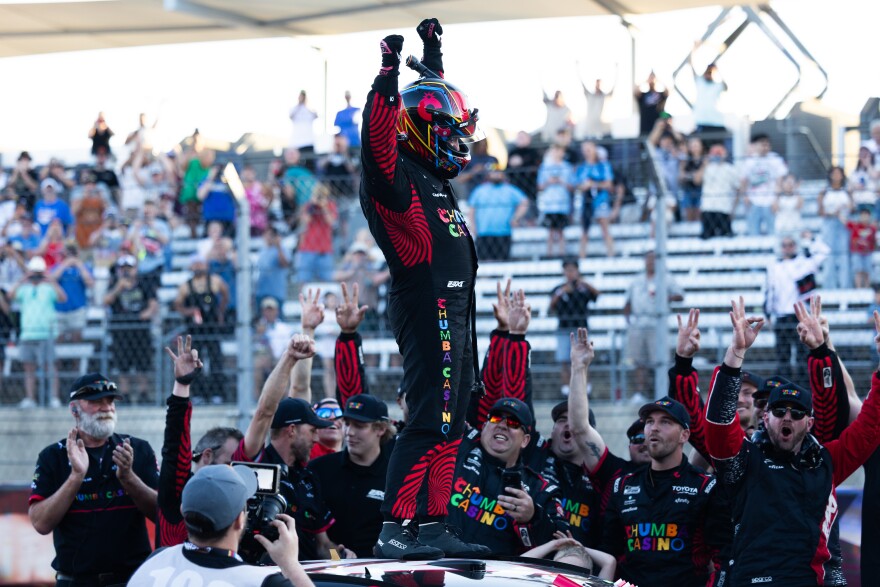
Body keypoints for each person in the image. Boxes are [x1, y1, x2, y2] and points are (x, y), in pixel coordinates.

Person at [359, 18, 489, 558]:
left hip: (459, 309)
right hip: (426, 305)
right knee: (426, 421)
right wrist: (388, 72)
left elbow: (430, 99)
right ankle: (396, 529)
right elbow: (380, 137)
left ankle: (433, 527)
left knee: (452, 423)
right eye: (452, 135)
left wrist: (433, 50)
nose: (459, 144)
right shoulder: (392, 178)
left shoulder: (432, 175)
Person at [704, 297, 880, 586]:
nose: (788, 417)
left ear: (810, 423)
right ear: (765, 417)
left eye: (797, 413)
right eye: (779, 411)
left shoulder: (826, 461)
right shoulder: (744, 460)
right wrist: (735, 354)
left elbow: (870, 427)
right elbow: (718, 427)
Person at [157, 333, 316, 547]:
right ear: (207, 456)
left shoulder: (236, 488)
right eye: (229, 464)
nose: (234, 472)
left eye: (237, 467)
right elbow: (175, 446)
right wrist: (182, 386)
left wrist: (289, 358)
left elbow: (264, 414)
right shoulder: (178, 494)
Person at [29, 374, 158, 587]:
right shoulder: (52, 456)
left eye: (110, 401)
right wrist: (75, 477)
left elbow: (164, 515)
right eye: (96, 401)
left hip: (132, 578)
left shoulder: (137, 449)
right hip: (76, 580)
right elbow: (41, 523)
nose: (106, 408)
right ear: (74, 410)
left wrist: (129, 478)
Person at [600, 389, 724, 587]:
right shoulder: (622, 486)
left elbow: (723, 558)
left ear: (684, 435)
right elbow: (609, 552)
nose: (654, 428)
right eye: (649, 421)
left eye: (665, 422)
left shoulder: (705, 486)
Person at [129, 465, 315, 587]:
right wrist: (290, 564)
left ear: (183, 512)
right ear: (240, 520)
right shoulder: (262, 582)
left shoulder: (155, 560)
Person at [447, 397, 566, 555]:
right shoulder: (459, 444)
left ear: (525, 440)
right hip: (440, 563)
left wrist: (532, 516)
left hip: (496, 576)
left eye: (513, 423)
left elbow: (562, 545)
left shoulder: (540, 489)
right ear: (484, 426)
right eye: (496, 418)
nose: (502, 425)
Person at [310, 394, 396, 557]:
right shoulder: (320, 470)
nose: (349, 432)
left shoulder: (397, 476)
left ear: (381, 429)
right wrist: (339, 559)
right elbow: (319, 542)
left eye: (359, 426)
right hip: (333, 573)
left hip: (383, 574)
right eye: (347, 424)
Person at [764, 236, 829, 384]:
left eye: (791, 244)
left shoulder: (804, 262)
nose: (788, 248)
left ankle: (804, 388)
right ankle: (783, 388)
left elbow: (824, 253)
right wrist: (767, 313)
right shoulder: (774, 267)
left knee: (803, 355)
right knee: (783, 356)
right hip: (781, 315)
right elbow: (769, 290)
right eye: (785, 245)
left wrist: (811, 239)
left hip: (800, 316)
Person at [623, 250, 684, 393]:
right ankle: (640, 391)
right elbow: (628, 302)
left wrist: (665, 298)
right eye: (648, 259)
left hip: (657, 323)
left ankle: (663, 390)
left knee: (660, 360)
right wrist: (629, 321)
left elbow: (680, 295)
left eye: (653, 259)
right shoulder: (636, 280)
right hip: (638, 323)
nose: (650, 262)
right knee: (638, 360)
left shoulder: (665, 278)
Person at [10, 255, 67, 408]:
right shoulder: (24, 288)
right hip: (28, 333)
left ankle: (54, 398)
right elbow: (11, 296)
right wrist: (23, 279)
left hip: (45, 334)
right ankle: (30, 399)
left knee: (50, 367)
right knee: (29, 368)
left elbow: (62, 297)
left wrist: (50, 280)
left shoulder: (48, 288)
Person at [103, 255, 159, 402]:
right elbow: (106, 301)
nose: (126, 271)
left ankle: (143, 393)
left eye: (129, 268)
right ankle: (125, 394)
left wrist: (145, 314)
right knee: (123, 364)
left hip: (140, 328)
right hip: (120, 329)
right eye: (123, 269)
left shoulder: (144, 283)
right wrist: (118, 288)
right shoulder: (114, 283)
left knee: (142, 362)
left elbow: (153, 303)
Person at [549, 259, 600, 396]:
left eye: (572, 270)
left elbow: (597, 295)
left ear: (577, 271)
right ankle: (566, 389)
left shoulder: (583, 288)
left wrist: (584, 283)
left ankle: (585, 387)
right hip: (564, 328)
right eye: (567, 270)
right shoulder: (559, 288)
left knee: (584, 359)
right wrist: (562, 292)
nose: (570, 273)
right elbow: (551, 306)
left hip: (581, 330)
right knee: (564, 360)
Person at [467, 166, 529, 261]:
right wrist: (473, 226)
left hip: (503, 232)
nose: (496, 174)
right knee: (484, 263)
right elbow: (471, 210)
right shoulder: (479, 190)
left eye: (498, 172)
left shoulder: (510, 189)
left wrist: (516, 218)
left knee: (502, 262)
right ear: (488, 175)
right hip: (483, 232)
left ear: (503, 174)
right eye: (493, 172)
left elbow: (524, 202)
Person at [740, 133, 788, 236]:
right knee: (753, 233)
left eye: (767, 144)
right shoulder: (749, 161)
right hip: (753, 201)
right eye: (762, 144)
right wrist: (745, 196)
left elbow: (780, 181)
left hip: (770, 201)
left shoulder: (776, 159)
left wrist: (776, 199)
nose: (765, 147)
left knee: (773, 232)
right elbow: (744, 180)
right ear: (756, 145)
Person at [576, 141, 615, 257]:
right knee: (584, 230)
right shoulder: (581, 168)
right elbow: (577, 186)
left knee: (605, 228)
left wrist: (593, 184)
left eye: (589, 149)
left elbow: (609, 184)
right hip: (586, 202)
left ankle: (611, 256)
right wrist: (583, 187)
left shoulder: (603, 166)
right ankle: (582, 257)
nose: (587, 152)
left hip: (600, 200)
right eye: (584, 150)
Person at [818, 166, 853, 289]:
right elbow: (820, 212)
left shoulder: (846, 190)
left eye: (839, 173)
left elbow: (852, 208)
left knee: (844, 255)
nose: (837, 176)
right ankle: (829, 286)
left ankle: (845, 286)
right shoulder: (825, 191)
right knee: (829, 255)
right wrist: (833, 213)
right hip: (830, 223)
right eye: (834, 173)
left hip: (843, 224)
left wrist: (843, 208)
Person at [537, 144, 575, 258]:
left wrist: (561, 181)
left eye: (559, 150)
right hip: (549, 204)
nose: (557, 153)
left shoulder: (567, 167)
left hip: (562, 204)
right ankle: (550, 255)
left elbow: (572, 187)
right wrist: (549, 182)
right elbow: (540, 186)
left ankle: (561, 253)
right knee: (550, 231)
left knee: (561, 231)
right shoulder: (544, 167)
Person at [698, 143, 739, 239]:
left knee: (727, 236)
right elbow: (697, 180)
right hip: (708, 207)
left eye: (719, 153)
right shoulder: (707, 168)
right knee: (706, 237)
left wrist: (733, 208)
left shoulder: (730, 169)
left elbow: (738, 189)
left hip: (724, 207)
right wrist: (704, 165)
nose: (717, 155)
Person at [689, 42, 728, 136]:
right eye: (707, 72)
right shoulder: (700, 82)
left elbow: (726, 87)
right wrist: (694, 49)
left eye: (710, 72)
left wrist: (717, 69)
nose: (708, 74)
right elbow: (691, 64)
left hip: (717, 121)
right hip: (701, 121)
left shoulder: (717, 85)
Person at [634, 73, 669, 137]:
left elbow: (667, 91)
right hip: (645, 128)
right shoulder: (643, 95)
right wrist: (645, 81)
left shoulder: (660, 94)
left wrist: (658, 81)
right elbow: (636, 92)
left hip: (658, 129)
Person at [289, 90, 318, 156]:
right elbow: (291, 116)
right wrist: (299, 105)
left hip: (309, 142)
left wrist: (306, 105)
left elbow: (316, 115)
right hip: (296, 143)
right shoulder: (294, 108)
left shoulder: (309, 109)